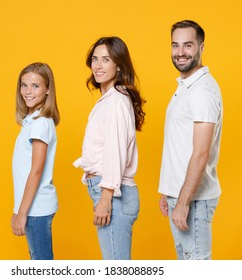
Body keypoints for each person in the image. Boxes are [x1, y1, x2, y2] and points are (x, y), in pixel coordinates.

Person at [73, 36, 146, 260]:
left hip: (113, 195)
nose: (98, 65)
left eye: (106, 59)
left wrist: (105, 199)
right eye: (95, 59)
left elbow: (115, 152)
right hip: (109, 191)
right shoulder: (111, 99)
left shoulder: (115, 101)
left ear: (119, 65)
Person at [158, 20, 223, 260]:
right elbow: (179, 144)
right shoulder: (186, 87)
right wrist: (168, 191)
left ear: (201, 47)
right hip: (181, 194)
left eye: (188, 45)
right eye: (175, 45)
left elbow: (201, 153)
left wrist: (183, 202)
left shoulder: (202, 92)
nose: (180, 52)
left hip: (193, 200)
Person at [11, 62, 60, 260]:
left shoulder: (40, 123)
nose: (28, 91)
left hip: (36, 208)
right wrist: (18, 209)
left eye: (35, 86)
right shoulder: (31, 121)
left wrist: (21, 213)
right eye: (24, 85)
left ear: (48, 89)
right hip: (31, 206)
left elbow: (36, 171)